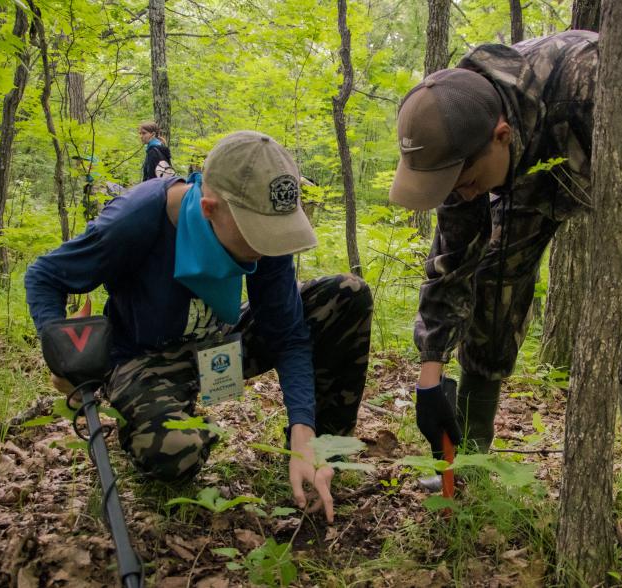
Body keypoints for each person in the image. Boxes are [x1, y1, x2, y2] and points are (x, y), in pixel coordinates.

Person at [388, 30, 622, 472]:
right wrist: (431, 378)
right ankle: (467, 455)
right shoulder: (455, 136)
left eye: (463, 183)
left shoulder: (593, 81)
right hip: (524, 178)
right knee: (493, 293)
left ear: (500, 135)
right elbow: (449, 270)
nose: (461, 196)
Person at [26, 131, 373, 521]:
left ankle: (322, 457)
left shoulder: (265, 232)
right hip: (144, 360)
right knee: (171, 453)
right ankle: (183, 422)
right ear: (209, 208)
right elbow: (44, 276)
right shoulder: (135, 218)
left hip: (219, 343)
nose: (266, 245)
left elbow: (287, 334)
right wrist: (61, 351)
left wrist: (303, 431)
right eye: (255, 234)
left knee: (346, 294)